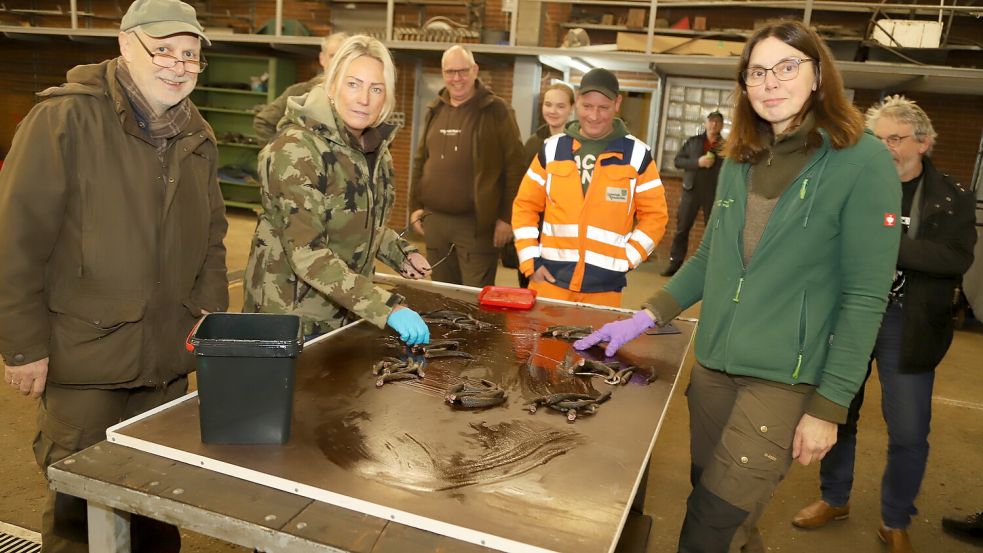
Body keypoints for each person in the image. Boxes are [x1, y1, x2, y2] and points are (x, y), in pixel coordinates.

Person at [574, 21, 901, 552]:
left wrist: (830, 405)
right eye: (756, 72)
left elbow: (865, 297)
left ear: (818, 74)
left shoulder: (862, 161)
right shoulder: (739, 155)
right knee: (723, 510)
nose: (770, 82)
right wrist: (644, 316)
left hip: (783, 379)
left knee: (709, 527)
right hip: (714, 370)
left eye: (787, 67)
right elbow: (710, 257)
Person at [0, 0, 228, 550]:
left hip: (166, 363)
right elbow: (16, 241)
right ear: (126, 44)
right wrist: (22, 346)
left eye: (190, 55)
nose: (178, 65)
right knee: (80, 517)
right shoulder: (64, 119)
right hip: (87, 358)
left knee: (158, 505)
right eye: (164, 50)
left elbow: (213, 237)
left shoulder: (198, 135)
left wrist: (208, 315)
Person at [792, 95, 976, 553]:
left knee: (909, 431)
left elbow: (956, 258)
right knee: (838, 411)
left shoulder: (951, 196)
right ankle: (834, 498)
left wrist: (886, 242)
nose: (886, 147)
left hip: (909, 323)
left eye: (896, 138)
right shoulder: (854, 181)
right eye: (878, 139)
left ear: (924, 142)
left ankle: (895, 519)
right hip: (851, 313)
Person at [243, 35, 430, 346]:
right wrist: (385, 307)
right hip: (290, 320)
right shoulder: (296, 150)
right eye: (353, 84)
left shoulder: (374, 151)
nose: (364, 99)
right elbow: (307, 251)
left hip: (344, 312)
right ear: (331, 86)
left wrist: (400, 253)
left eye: (376, 89)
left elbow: (359, 221)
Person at [511, 68, 668, 307]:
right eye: (587, 106)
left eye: (603, 107)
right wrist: (529, 258)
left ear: (617, 104)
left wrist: (629, 257)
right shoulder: (552, 150)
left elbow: (656, 216)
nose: (594, 116)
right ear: (577, 103)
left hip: (604, 288)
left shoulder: (637, 156)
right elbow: (525, 206)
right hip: (550, 282)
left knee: (596, 335)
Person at [408, 44, 526, 287]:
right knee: (442, 293)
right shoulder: (435, 109)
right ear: (443, 73)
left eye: (462, 71)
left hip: (476, 226)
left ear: (475, 70)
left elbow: (515, 166)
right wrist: (415, 205)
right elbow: (421, 160)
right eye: (450, 72)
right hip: (436, 222)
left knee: (473, 297)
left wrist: (507, 218)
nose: (457, 78)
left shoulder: (496, 110)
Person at [507, 81, 576, 288]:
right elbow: (522, 192)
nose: (553, 111)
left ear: (572, 108)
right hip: (534, 229)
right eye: (548, 104)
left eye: (560, 106)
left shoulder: (579, 145)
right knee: (528, 287)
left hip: (564, 234)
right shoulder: (533, 143)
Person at [253, 31, 349, 145]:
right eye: (333, 56)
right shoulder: (297, 92)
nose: (338, 62)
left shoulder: (355, 98)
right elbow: (263, 122)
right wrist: (279, 152)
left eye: (343, 57)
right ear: (322, 58)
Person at [662, 110, 725, 277]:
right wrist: (697, 162)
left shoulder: (725, 146)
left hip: (713, 193)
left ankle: (711, 267)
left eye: (717, 122)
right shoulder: (694, 142)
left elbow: (729, 169)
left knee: (712, 231)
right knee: (682, 229)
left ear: (721, 125)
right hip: (691, 191)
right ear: (706, 123)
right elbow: (678, 161)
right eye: (711, 121)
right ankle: (675, 264)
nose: (714, 124)